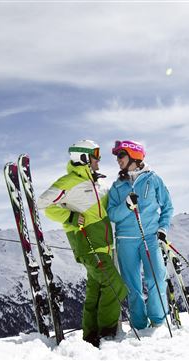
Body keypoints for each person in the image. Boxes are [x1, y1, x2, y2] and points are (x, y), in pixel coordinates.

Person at [38, 140, 128, 347]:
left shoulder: (94, 183)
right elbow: (43, 204)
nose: (99, 159)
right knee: (115, 285)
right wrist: (69, 216)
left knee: (95, 291)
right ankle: (106, 334)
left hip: (103, 245)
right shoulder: (69, 181)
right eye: (95, 155)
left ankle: (90, 337)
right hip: (87, 244)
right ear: (84, 157)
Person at [107, 140, 173, 330]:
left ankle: (158, 320)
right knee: (132, 285)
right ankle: (138, 324)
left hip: (150, 237)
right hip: (125, 240)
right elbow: (112, 214)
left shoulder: (153, 180)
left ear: (134, 155)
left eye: (121, 155)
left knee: (156, 278)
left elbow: (167, 207)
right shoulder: (117, 186)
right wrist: (127, 206)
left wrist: (163, 229)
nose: (118, 160)